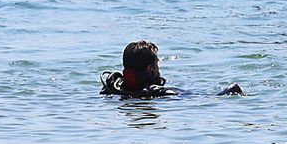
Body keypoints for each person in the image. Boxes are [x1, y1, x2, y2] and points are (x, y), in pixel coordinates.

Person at [100, 40, 243, 99]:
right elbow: (206, 98)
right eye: (157, 63)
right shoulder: (158, 92)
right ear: (150, 68)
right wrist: (231, 89)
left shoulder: (111, 88)